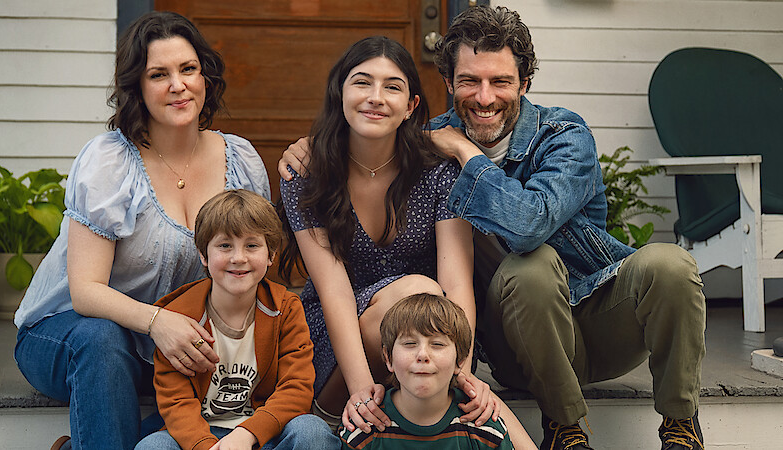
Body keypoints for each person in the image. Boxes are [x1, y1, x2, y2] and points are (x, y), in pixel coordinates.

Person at [280, 6, 707, 450]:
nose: (484, 98)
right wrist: (316, 143)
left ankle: (680, 427)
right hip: (515, 339)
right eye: (469, 81)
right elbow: (374, 130)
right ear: (448, 84)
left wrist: (468, 155)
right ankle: (565, 430)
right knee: (530, 271)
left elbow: (528, 226)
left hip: (597, 320)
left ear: (524, 83)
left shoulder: (561, 135)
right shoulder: (426, 145)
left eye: (501, 81)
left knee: (669, 262)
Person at [13, 11, 270, 450]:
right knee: (101, 338)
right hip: (68, 333)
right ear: (137, 87)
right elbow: (86, 292)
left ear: (205, 76)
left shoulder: (240, 162)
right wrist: (157, 322)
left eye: (188, 69)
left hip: (170, 344)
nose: (178, 85)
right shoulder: (110, 162)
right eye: (158, 74)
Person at [278, 35, 527, 442]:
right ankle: (343, 407)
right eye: (361, 82)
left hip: (427, 341)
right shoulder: (307, 175)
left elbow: (457, 281)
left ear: (411, 106)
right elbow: (334, 290)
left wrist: (462, 373)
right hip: (339, 343)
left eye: (392, 87)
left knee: (429, 309)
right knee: (418, 291)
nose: (376, 97)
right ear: (339, 93)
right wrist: (358, 389)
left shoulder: (438, 173)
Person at [135, 189, 339, 450]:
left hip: (264, 431)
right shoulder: (178, 318)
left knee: (312, 431)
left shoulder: (286, 309)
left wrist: (247, 434)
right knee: (152, 447)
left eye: (252, 245)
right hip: (199, 435)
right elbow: (176, 402)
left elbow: (296, 388)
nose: (238, 258)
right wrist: (205, 445)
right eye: (225, 245)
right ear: (203, 255)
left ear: (271, 254)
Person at [340, 293, 514, 450]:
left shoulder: (484, 429)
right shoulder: (364, 430)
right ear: (388, 358)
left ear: (460, 360)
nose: (422, 355)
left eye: (437, 344)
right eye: (409, 344)